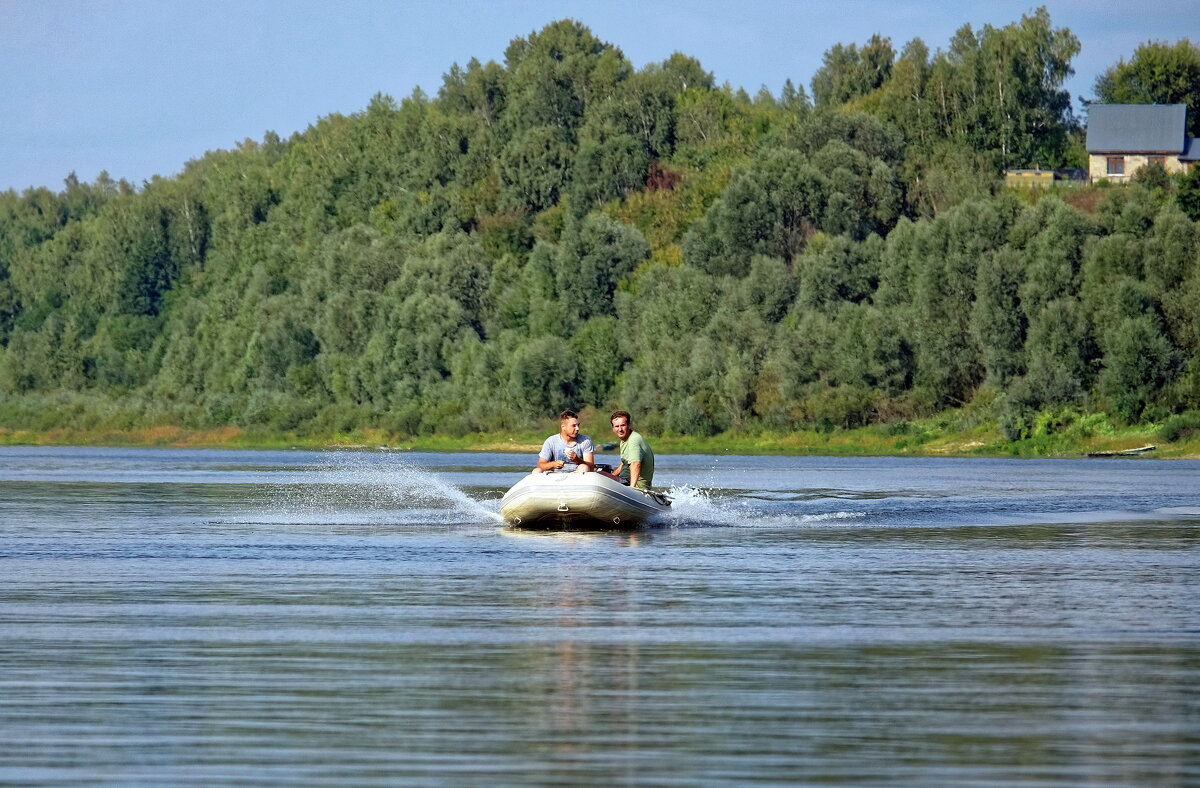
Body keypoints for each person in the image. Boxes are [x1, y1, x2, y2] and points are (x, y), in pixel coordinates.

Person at [608, 410, 654, 490]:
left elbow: (636, 464)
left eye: (623, 425)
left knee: (600, 474)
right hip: (625, 481)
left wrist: (632, 489)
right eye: (617, 426)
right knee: (601, 473)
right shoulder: (625, 440)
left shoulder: (634, 440)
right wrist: (613, 475)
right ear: (613, 428)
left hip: (635, 486)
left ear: (629, 425)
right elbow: (625, 462)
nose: (620, 429)